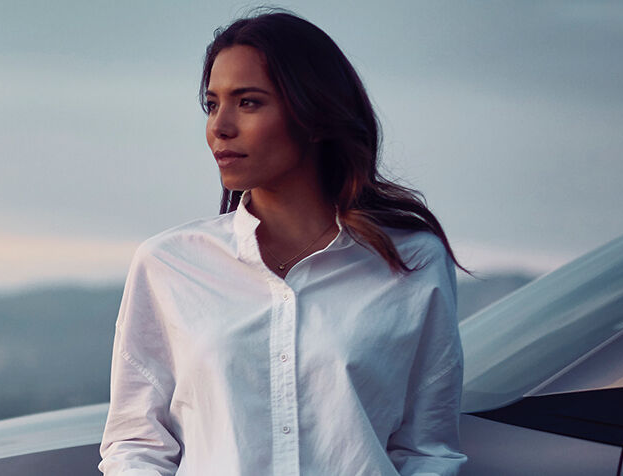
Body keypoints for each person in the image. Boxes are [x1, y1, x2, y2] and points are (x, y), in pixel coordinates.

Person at [98, 10, 469, 476]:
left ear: (313, 112)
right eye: (212, 104)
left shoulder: (411, 261)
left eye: (248, 102)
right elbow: (136, 443)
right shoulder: (168, 265)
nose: (220, 127)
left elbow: (427, 449)